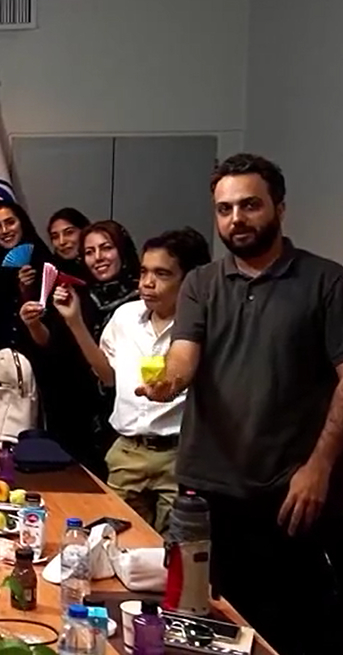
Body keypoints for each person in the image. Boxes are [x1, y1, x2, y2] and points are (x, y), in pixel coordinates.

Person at [138, 154, 343, 654]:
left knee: (278, 631)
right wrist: (168, 384)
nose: (236, 219)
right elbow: (184, 356)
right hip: (203, 492)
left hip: (286, 493)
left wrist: (319, 467)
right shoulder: (201, 282)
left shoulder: (326, 281)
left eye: (249, 205)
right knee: (198, 625)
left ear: (280, 208)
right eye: (224, 209)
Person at [52, 228, 211, 532]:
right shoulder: (125, 316)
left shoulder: (203, 324)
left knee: (172, 550)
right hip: (128, 450)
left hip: (178, 455)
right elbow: (107, 376)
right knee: (114, 540)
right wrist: (74, 322)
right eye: (144, 271)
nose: (147, 283)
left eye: (162, 274)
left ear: (189, 279)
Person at [21, 219, 140, 478]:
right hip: (78, 410)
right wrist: (35, 323)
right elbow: (54, 346)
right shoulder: (80, 294)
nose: (98, 258)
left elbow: (113, 378)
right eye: (89, 252)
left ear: (123, 249)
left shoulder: (143, 298)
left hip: (130, 416)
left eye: (106, 248)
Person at [0, 200, 53, 353]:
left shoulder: (45, 264)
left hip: (38, 360)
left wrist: (27, 291)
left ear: (22, 223)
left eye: (10, 222)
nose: (5, 230)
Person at [46, 207, 91, 280]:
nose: (62, 242)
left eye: (69, 232)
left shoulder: (99, 265)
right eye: (55, 236)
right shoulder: (51, 274)